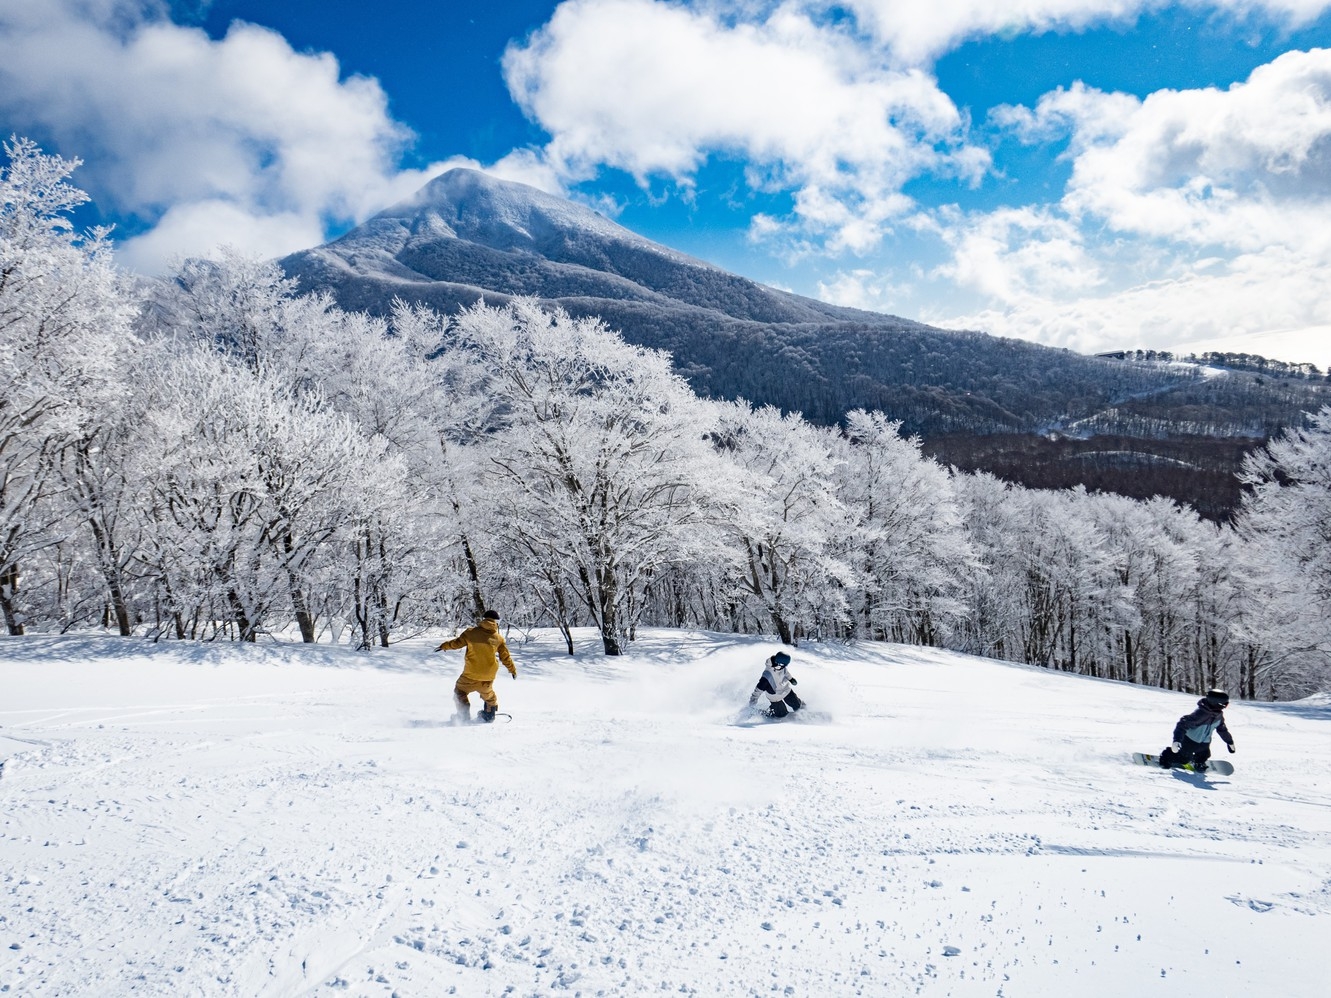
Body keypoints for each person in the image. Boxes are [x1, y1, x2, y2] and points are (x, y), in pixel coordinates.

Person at [435, 609, 517, 722]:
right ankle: (489, 715)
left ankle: (463, 715)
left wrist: (444, 646)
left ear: (483, 619)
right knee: (489, 696)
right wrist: (512, 670)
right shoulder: (498, 638)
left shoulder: (470, 633)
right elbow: (505, 657)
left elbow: (456, 643)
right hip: (488, 676)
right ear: (496, 622)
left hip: (470, 675)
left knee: (459, 691)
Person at [1158, 688, 1236, 772]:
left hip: (1204, 741)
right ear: (1218, 704)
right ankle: (1166, 757)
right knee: (1184, 758)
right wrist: (1177, 740)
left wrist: (1229, 742)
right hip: (1190, 740)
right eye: (1226, 704)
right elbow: (1182, 724)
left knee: (1204, 754)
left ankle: (1198, 762)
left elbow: (1222, 730)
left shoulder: (1219, 716)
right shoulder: (1200, 714)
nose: (1226, 706)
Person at [748, 650, 803, 718]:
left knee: (798, 706)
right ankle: (765, 713)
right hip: (775, 697)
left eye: (785, 665)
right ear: (778, 663)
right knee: (781, 715)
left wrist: (791, 679)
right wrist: (751, 705)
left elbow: (785, 672)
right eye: (783, 665)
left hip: (786, 690)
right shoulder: (767, 676)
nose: (784, 667)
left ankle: (804, 709)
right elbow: (757, 691)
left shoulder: (781, 666)